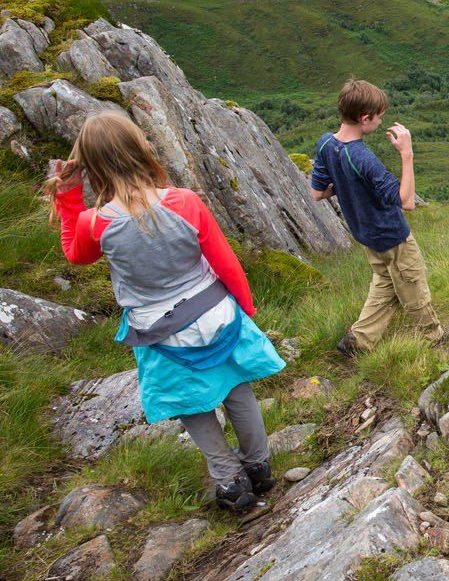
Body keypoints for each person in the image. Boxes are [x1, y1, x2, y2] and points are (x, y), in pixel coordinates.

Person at [47, 112, 285, 511]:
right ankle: (258, 466)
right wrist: (245, 309)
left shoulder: (95, 224)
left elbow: (75, 254)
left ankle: (230, 482)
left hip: (161, 334)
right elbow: (225, 262)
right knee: (236, 387)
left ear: (92, 166)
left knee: (192, 405)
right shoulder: (185, 202)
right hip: (216, 316)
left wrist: (69, 195)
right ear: (141, 148)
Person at [309, 79, 442, 354]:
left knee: (385, 283)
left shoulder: (325, 144)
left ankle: (359, 340)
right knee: (412, 285)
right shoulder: (363, 158)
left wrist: (345, 186)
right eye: (379, 117)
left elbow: (318, 193)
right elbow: (406, 202)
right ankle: (434, 339)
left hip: (366, 236)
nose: (381, 122)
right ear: (365, 118)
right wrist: (407, 153)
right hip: (392, 235)